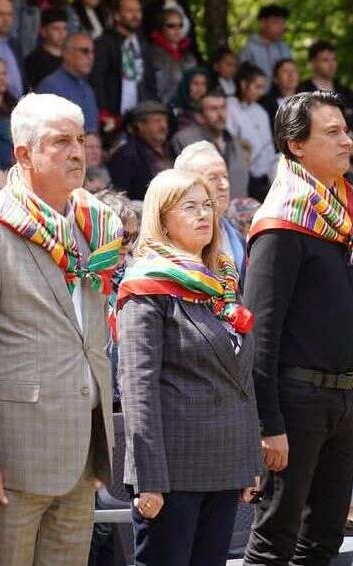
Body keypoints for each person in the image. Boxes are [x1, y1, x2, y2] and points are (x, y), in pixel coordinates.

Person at [0, 93, 117, 564]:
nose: (77, 152)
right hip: (11, 463)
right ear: (23, 154)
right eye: (61, 142)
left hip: (81, 452)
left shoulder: (90, 226)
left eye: (80, 139)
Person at [242, 91, 353, 564]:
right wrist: (268, 424)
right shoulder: (282, 222)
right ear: (296, 146)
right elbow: (260, 333)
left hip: (339, 400)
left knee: (325, 539)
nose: (347, 141)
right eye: (332, 132)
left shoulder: (342, 216)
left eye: (346, 131)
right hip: (294, 402)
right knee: (275, 537)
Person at [115, 168, 260, 566]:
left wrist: (249, 461)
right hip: (172, 474)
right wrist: (148, 479)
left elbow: (241, 378)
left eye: (208, 205)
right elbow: (138, 390)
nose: (203, 215)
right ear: (162, 219)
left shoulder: (220, 283)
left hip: (224, 466)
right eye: (189, 206)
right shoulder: (146, 285)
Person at [175, 140, 247, 277]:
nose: (224, 185)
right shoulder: (178, 241)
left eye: (225, 176)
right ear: (188, 185)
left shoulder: (238, 238)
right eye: (213, 178)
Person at [298, 40, 353, 176]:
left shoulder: (346, 92)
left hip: (352, 161)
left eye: (333, 59)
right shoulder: (303, 92)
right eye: (325, 60)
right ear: (312, 64)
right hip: (320, 162)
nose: (331, 64)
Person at [171, 87, 250, 199]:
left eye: (223, 108)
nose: (220, 114)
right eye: (213, 109)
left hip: (236, 207)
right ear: (199, 116)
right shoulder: (184, 140)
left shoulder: (235, 142)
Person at [92, 0, 158, 119]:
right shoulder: (103, 43)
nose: (135, 15)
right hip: (113, 117)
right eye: (130, 11)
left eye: (138, 11)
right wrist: (103, 111)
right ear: (117, 15)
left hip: (141, 116)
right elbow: (97, 80)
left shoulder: (144, 44)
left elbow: (150, 82)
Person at [226, 61, 275, 201]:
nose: (261, 92)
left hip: (265, 175)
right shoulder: (229, 107)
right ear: (243, 84)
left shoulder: (260, 111)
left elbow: (269, 146)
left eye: (263, 88)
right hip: (241, 173)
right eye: (257, 87)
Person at [109, 100, 175, 201]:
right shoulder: (127, 155)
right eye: (157, 121)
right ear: (140, 125)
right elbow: (120, 195)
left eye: (165, 121)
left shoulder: (171, 149)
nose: (163, 126)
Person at [37, 32, 100, 134]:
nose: (91, 57)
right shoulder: (50, 87)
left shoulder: (87, 87)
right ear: (67, 54)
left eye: (93, 52)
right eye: (85, 51)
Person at [147, 6, 198, 99]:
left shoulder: (189, 57)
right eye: (171, 26)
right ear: (161, 27)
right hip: (157, 105)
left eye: (180, 25)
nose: (177, 29)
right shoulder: (150, 54)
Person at [21, 6, 68, 89]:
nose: (62, 33)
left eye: (64, 28)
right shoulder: (33, 61)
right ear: (43, 32)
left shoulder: (70, 57)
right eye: (56, 28)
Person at [238, 4, 291, 77]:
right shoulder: (249, 49)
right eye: (276, 22)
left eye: (283, 23)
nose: (281, 27)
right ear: (262, 24)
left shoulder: (284, 48)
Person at [260, 58, 299, 123]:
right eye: (285, 71)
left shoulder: (308, 100)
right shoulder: (266, 104)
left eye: (293, 70)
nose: (290, 75)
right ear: (275, 79)